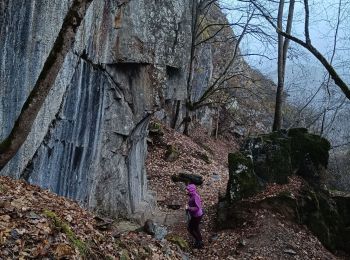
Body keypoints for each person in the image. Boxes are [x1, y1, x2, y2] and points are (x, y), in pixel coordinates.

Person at [185, 184, 204, 249]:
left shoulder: (195, 196)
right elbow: (200, 201)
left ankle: (199, 241)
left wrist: (189, 208)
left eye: (187, 189)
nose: (186, 190)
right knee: (195, 228)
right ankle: (199, 240)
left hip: (197, 216)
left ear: (191, 191)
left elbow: (197, 207)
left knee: (191, 229)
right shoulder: (192, 195)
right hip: (195, 215)